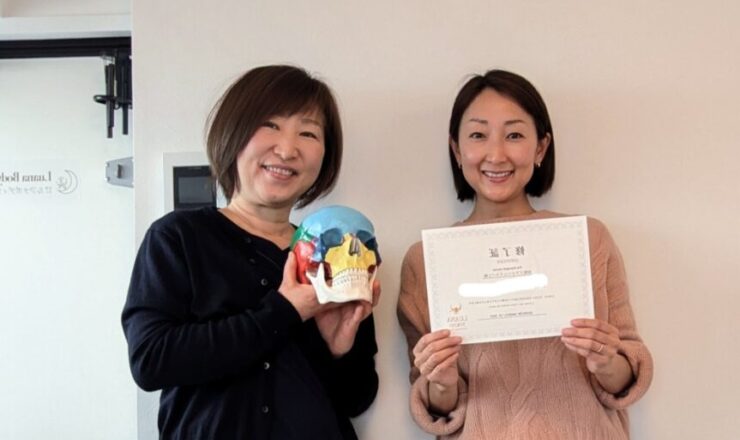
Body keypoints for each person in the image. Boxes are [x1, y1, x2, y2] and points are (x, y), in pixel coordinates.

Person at [122, 65, 379, 439]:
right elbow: (151, 360)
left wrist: (339, 351)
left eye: (308, 133)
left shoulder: (336, 252)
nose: (287, 149)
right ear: (233, 133)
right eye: (270, 125)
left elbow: (356, 399)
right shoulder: (179, 237)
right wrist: (285, 311)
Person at [397, 70, 653, 439]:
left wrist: (606, 360)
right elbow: (438, 407)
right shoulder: (426, 260)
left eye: (514, 135)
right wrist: (441, 381)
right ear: (456, 150)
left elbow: (627, 377)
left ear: (541, 148)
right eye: (478, 135)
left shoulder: (588, 239)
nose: (496, 154)